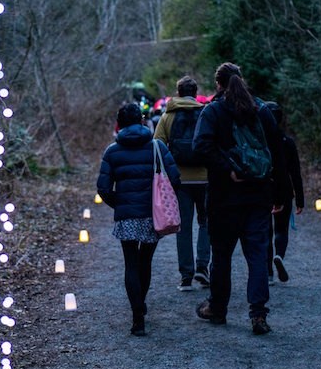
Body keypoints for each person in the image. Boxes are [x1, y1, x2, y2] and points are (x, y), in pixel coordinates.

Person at [192, 62, 287, 335]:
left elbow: (201, 147)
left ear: (218, 85)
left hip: (223, 197)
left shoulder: (214, 111)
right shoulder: (262, 110)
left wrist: (228, 168)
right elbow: (278, 154)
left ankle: (217, 309)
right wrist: (280, 193)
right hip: (259, 196)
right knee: (258, 256)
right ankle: (258, 315)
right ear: (241, 81)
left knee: (221, 257)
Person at [97, 103, 181, 336]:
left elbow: (103, 187)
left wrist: (120, 203)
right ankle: (140, 305)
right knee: (145, 262)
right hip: (152, 215)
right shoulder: (157, 146)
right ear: (142, 121)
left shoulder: (112, 151)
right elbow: (175, 178)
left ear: (120, 124)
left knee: (131, 264)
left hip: (127, 217)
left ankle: (137, 318)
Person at [154, 76, 210, 291]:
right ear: (196, 93)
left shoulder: (168, 115)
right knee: (207, 224)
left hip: (180, 180)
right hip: (205, 178)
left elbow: (158, 144)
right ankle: (202, 267)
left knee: (183, 227)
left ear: (178, 93)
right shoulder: (205, 113)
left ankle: (186, 277)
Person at [264, 101, 304, 284]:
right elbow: (295, 172)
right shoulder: (287, 142)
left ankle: (268, 273)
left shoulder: (259, 141)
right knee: (281, 229)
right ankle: (279, 255)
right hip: (285, 189)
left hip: (263, 190)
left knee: (265, 231)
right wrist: (300, 199)